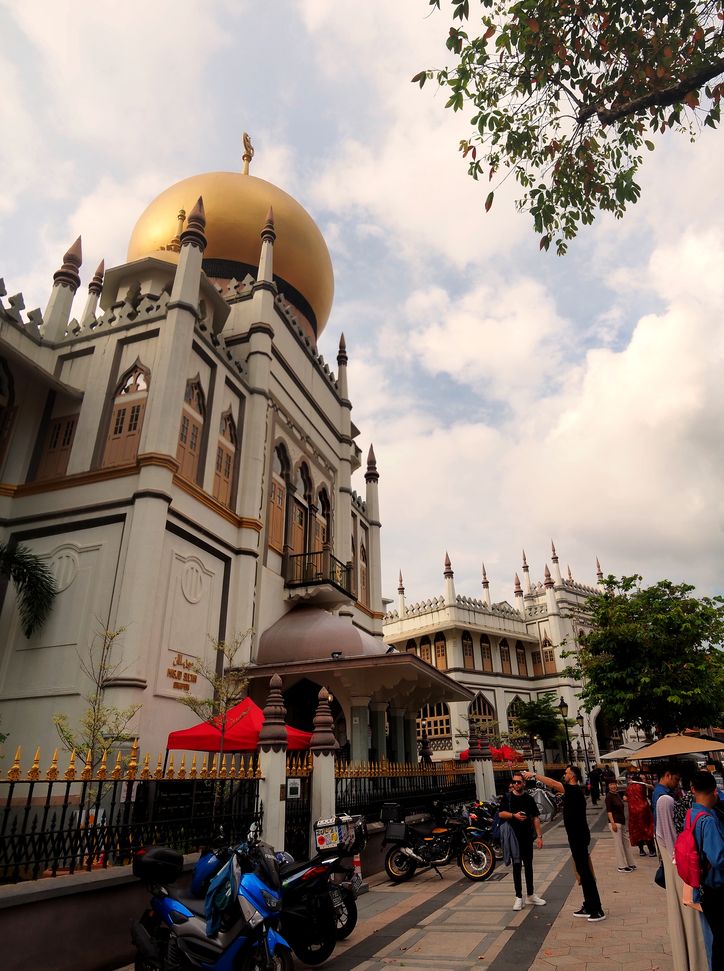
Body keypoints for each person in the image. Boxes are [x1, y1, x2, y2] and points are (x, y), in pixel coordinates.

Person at [524, 765, 605, 922]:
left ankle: (597, 909)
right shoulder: (573, 792)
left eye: (567, 773)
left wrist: (534, 775)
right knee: (582, 871)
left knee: (586, 873)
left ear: (573, 776)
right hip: (576, 837)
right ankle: (588, 904)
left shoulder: (573, 790)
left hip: (579, 837)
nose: (564, 775)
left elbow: (553, 783)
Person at [654, 763, 707, 971]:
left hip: (677, 867)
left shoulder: (666, 801)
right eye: (674, 779)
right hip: (682, 870)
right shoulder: (665, 800)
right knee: (690, 918)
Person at [690, 770, 724, 970]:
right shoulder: (708, 820)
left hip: (702, 884)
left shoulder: (692, 814)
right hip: (716, 887)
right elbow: (719, 858)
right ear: (714, 791)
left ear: (693, 790)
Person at [498, 772, 546, 911]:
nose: (516, 784)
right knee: (517, 866)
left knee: (529, 866)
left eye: (519, 782)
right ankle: (519, 897)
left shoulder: (529, 799)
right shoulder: (507, 798)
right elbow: (501, 813)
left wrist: (539, 837)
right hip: (513, 837)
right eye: (514, 782)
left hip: (527, 836)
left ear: (524, 783)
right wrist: (514, 816)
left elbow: (535, 818)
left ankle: (530, 895)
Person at [605, 779, 637, 872]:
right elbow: (609, 811)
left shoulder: (617, 795)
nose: (613, 786)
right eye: (611, 784)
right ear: (608, 786)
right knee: (618, 844)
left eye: (614, 784)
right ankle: (621, 866)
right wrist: (612, 823)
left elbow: (626, 793)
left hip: (622, 822)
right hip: (615, 823)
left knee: (626, 843)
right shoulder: (609, 797)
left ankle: (631, 863)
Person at [626, 772, 657, 856]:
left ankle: (641, 850)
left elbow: (627, 798)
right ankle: (651, 850)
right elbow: (649, 791)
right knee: (647, 829)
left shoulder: (629, 787)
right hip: (644, 810)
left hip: (633, 812)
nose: (645, 779)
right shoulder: (642, 786)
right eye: (643, 778)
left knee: (637, 831)